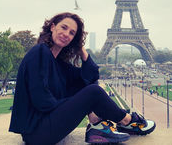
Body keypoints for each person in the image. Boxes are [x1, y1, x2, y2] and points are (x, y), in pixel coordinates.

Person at [9, 12, 156, 145]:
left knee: (87, 85)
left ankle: (97, 126)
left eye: (72, 33)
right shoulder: (40, 52)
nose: (66, 34)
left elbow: (90, 77)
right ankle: (127, 121)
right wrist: (82, 103)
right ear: (52, 27)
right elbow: (42, 101)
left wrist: (82, 50)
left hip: (47, 127)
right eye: (64, 27)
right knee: (92, 92)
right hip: (37, 133)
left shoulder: (58, 63)